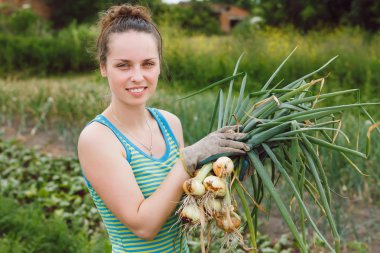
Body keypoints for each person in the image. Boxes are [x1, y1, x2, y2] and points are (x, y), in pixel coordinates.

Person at [77, 4, 249, 253]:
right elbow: (144, 226)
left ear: (158, 65)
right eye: (123, 65)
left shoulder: (169, 123)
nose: (137, 76)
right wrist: (189, 158)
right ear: (104, 67)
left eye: (147, 64)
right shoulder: (98, 139)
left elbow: (180, 202)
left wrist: (220, 172)